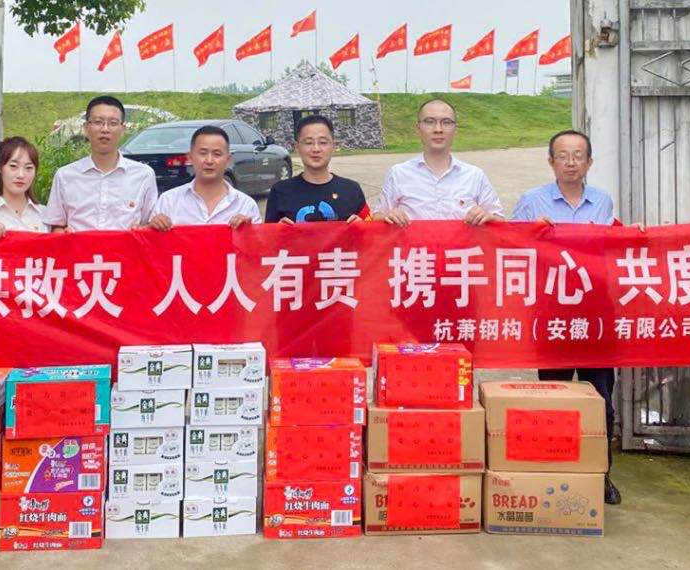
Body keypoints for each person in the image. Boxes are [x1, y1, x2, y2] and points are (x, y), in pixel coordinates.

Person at [511, 129, 622, 505]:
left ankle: (600, 474)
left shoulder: (602, 201)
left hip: (595, 315)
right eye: (563, 155)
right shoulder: (532, 201)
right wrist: (532, 234)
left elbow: (610, 249)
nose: (571, 163)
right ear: (551, 161)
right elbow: (509, 247)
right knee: (554, 396)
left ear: (589, 162)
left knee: (601, 399)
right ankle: (555, 469)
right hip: (553, 316)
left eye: (578, 156)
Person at [375, 98, 503, 225]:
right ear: (418, 128)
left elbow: (500, 221)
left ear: (455, 129)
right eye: (429, 122)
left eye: (446, 122)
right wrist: (387, 216)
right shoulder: (398, 174)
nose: (438, 129)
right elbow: (376, 218)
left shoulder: (475, 176)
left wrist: (488, 217)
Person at [42, 95, 158, 232]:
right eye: (98, 122)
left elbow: (150, 224)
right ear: (86, 128)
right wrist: (62, 233)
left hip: (124, 247)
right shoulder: (65, 175)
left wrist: (147, 226)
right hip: (80, 246)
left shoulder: (143, 175)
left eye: (113, 123)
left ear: (122, 130)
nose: (105, 129)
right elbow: (56, 225)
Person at [147, 125, 261, 230]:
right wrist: (154, 227)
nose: (209, 161)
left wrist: (248, 232)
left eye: (217, 154)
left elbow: (258, 244)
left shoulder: (245, 205)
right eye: (203, 153)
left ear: (228, 160)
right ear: (190, 157)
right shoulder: (168, 201)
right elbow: (151, 242)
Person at [265, 114, 369, 224]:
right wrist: (277, 229)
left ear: (333, 146)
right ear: (297, 147)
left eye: (323, 142)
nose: (316, 149)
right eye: (308, 143)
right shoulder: (280, 191)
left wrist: (362, 226)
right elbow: (267, 233)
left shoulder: (351, 190)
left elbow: (370, 230)